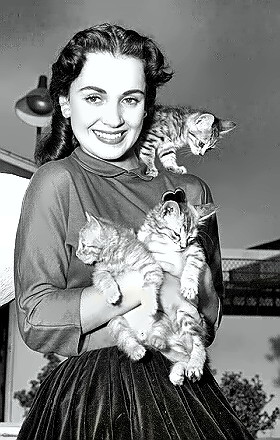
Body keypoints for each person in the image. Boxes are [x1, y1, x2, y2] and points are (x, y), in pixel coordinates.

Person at [14, 23, 254, 440]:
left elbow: (209, 313)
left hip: (183, 394)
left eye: (130, 99)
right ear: (65, 104)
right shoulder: (57, 182)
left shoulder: (191, 191)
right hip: (89, 404)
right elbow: (37, 318)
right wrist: (145, 290)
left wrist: (169, 311)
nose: (113, 118)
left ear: (148, 107)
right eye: (94, 98)